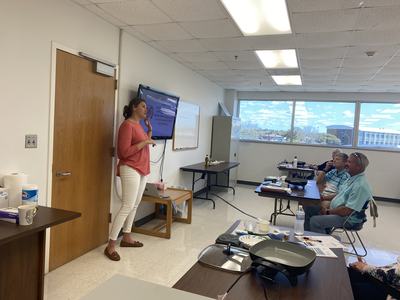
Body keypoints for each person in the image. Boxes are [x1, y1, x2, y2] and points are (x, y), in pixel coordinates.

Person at [104, 97, 155, 261]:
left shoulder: (139, 126)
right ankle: (110, 245)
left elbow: (142, 143)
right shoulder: (126, 125)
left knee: (135, 204)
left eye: (146, 107)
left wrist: (149, 132)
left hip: (142, 169)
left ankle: (126, 237)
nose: (146, 109)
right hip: (130, 167)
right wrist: (145, 141)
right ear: (134, 108)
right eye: (143, 106)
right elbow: (124, 152)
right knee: (127, 205)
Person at [304, 152, 372, 234]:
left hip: (347, 219)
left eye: (349, 162)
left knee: (315, 221)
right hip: (337, 211)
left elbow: (346, 211)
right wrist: (323, 198)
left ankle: (323, 243)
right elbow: (339, 195)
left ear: (358, 167)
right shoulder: (352, 178)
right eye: (347, 161)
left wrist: (327, 212)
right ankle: (309, 236)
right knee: (309, 208)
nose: (346, 164)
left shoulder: (360, 186)